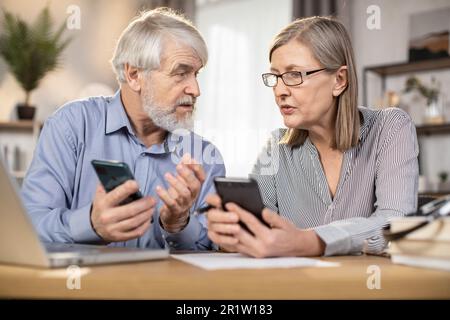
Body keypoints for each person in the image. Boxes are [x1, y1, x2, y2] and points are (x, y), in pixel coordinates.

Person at [205, 16, 418, 257]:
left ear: (339, 80)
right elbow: (257, 231)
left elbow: (396, 224)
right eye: (275, 76)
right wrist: (232, 233)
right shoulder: (276, 147)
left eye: (294, 75)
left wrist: (310, 241)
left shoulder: (389, 128)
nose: (279, 90)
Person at [21, 8, 225, 250]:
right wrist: (90, 224)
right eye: (181, 74)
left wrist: (179, 224)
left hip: (162, 289)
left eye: (196, 74)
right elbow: (27, 227)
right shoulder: (71, 127)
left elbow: (212, 255)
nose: (195, 89)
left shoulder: (204, 158)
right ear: (134, 74)